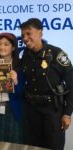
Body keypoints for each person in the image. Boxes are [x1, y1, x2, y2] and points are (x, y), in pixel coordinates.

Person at [20, 18, 73, 150]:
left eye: (28, 33)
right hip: (31, 111)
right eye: (22, 35)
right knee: (31, 147)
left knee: (53, 146)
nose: (25, 38)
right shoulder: (26, 54)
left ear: (40, 33)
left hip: (52, 111)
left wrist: (67, 113)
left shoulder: (56, 53)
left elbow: (71, 83)